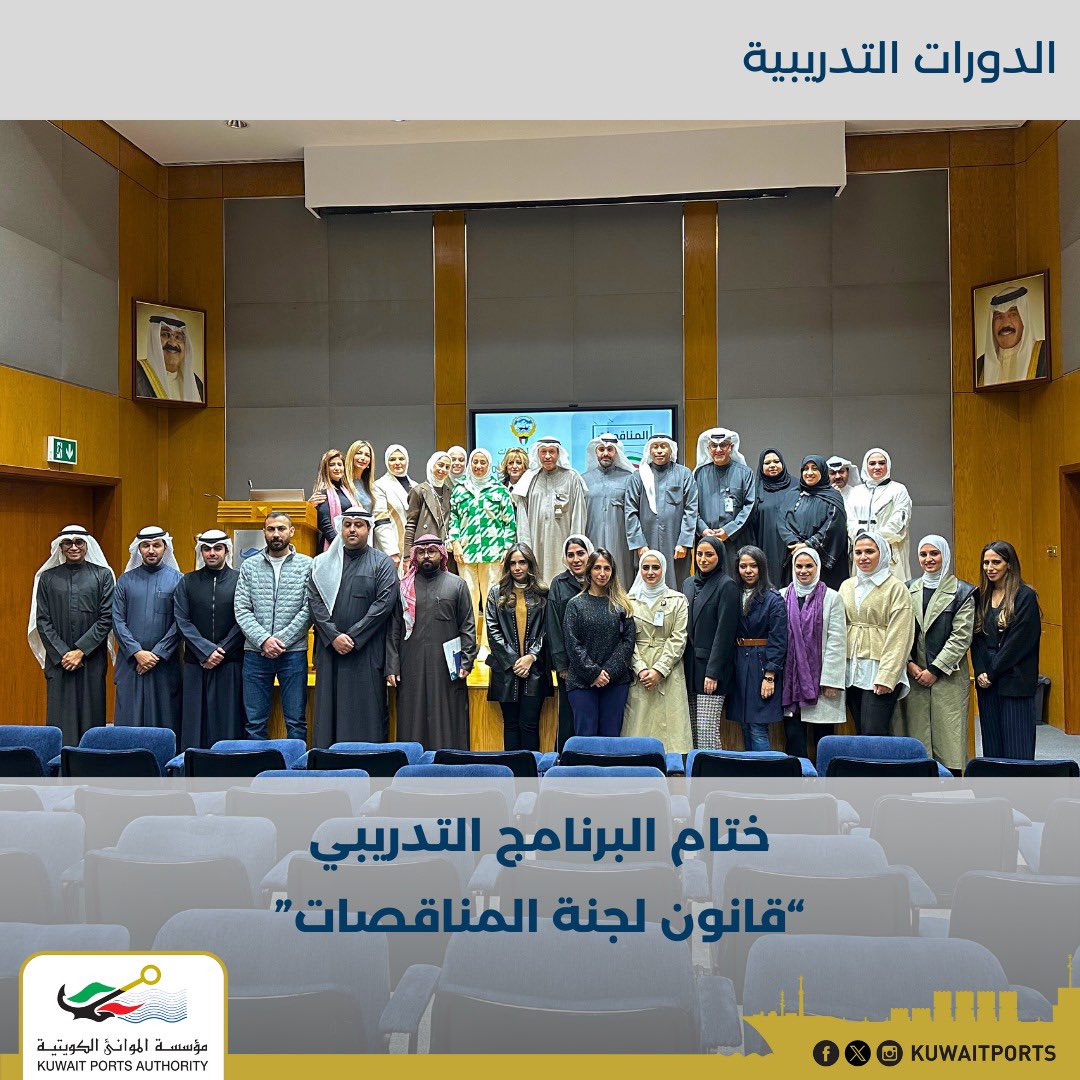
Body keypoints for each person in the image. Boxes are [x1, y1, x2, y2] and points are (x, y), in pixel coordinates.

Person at [308, 509, 399, 747]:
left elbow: (384, 605)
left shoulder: (382, 563)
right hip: (330, 650)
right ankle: (329, 762)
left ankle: (368, 762)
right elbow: (314, 602)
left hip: (367, 650)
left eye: (358, 525)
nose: (352, 529)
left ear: (368, 529)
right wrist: (334, 636)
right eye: (347, 524)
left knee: (367, 712)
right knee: (329, 712)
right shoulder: (323, 563)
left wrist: (353, 637)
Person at [387, 536, 477, 749]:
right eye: (421, 552)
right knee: (412, 716)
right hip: (411, 663)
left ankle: (448, 763)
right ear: (415, 556)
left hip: (447, 666)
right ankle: (413, 763)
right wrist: (392, 665)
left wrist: (466, 661)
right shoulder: (403, 587)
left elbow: (467, 626)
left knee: (447, 716)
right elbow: (393, 629)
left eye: (432, 551)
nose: (426, 556)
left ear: (441, 554)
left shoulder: (457, 584)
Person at [895, 535, 976, 773]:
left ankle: (950, 788)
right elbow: (900, 630)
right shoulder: (908, 588)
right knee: (917, 738)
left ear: (945, 555)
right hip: (915, 674)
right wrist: (909, 663)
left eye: (934, 553)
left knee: (949, 739)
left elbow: (961, 637)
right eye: (923, 554)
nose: (928, 559)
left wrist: (934, 669)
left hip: (948, 676)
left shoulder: (963, 591)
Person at [28, 525, 114, 745]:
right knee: (59, 720)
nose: (74, 547)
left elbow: (107, 618)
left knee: (91, 718)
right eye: (68, 543)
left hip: (91, 659)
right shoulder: (47, 578)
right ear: (61, 547)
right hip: (59, 662)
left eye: (79, 542)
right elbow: (42, 620)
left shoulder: (103, 575)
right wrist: (65, 654)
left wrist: (80, 651)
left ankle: (90, 761)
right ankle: (59, 763)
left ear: (87, 545)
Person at [234, 512, 313, 742]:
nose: (276, 534)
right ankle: (257, 764)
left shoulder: (307, 565)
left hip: (293, 653)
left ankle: (295, 765)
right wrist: (264, 640)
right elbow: (241, 609)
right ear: (264, 533)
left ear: (291, 531)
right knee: (254, 722)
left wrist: (281, 641)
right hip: (255, 653)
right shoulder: (249, 566)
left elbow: (309, 609)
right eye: (271, 529)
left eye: (281, 528)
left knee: (296, 721)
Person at [173, 529, 245, 750]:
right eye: (206, 549)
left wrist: (221, 650)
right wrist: (205, 651)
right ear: (201, 552)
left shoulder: (240, 580)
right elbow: (182, 620)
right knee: (195, 722)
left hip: (230, 661)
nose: (212, 553)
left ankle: (226, 765)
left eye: (217, 548)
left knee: (228, 722)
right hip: (196, 663)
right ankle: (193, 767)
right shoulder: (188, 581)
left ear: (226, 551)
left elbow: (244, 618)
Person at [971, 540, 1042, 760]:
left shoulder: (1025, 596)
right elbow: (976, 638)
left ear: (1009, 564)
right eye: (986, 563)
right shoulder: (980, 595)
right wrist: (980, 670)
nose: (990, 568)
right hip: (986, 682)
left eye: (996, 562)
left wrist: (991, 672)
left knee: (1017, 748)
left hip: (1014, 679)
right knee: (992, 748)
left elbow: (1018, 644)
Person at [839, 531, 915, 736]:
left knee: (874, 731)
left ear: (882, 553)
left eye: (869, 551)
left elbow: (900, 637)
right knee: (860, 731)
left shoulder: (896, 588)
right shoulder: (847, 586)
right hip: (852, 669)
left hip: (879, 669)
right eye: (858, 552)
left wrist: (887, 676)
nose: (863, 557)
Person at [112, 526, 183, 733]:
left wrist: (157, 654)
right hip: (131, 664)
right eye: (146, 545)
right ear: (139, 549)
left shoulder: (178, 580)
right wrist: (137, 652)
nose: (151, 550)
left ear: (165, 548)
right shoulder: (125, 580)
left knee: (164, 723)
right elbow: (117, 620)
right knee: (129, 725)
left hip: (164, 665)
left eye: (156, 545)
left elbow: (180, 622)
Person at [780, 547, 847, 760]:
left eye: (809, 566)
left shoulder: (832, 598)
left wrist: (830, 681)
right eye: (799, 566)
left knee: (823, 740)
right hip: (791, 683)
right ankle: (799, 780)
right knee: (794, 739)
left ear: (817, 567)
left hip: (822, 684)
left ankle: (824, 779)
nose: (803, 571)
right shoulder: (782, 595)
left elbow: (837, 643)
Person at [622, 550, 692, 754]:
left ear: (664, 569)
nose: (650, 572)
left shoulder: (678, 600)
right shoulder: (628, 601)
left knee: (670, 735)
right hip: (639, 673)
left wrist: (659, 670)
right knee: (637, 731)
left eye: (656, 567)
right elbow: (626, 640)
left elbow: (679, 638)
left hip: (669, 671)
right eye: (645, 567)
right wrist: (641, 669)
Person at [562, 548, 636, 737]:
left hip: (615, 682)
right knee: (585, 739)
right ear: (589, 571)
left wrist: (608, 672)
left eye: (607, 568)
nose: (602, 573)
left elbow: (628, 642)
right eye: (597, 568)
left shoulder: (622, 604)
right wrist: (594, 673)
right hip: (581, 682)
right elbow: (572, 644)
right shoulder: (575, 604)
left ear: (612, 572)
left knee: (610, 738)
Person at [484, 545, 552, 752]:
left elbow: (549, 630)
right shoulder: (496, 593)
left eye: (522, 562)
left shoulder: (543, 593)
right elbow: (492, 630)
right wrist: (515, 661)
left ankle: (531, 771)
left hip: (535, 669)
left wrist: (531, 657)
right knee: (511, 725)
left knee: (530, 726)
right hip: (507, 670)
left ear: (530, 564)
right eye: (512, 563)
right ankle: (513, 770)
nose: (517, 567)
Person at [449, 448, 517, 650]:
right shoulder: (460, 489)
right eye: (475, 462)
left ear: (489, 465)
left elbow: (509, 523)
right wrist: (455, 543)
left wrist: (506, 549)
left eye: (483, 463)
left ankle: (489, 645)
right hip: (466, 553)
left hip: (493, 553)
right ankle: (469, 644)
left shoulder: (500, 490)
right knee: (468, 599)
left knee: (491, 600)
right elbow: (454, 520)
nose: (478, 466)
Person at [727, 547, 787, 753]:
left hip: (761, 665)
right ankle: (749, 768)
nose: (748, 571)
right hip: (738, 663)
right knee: (744, 724)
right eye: (743, 566)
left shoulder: (773, 598)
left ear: (762, 567)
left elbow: (779, 640)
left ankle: (764, 770)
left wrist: (770, 676)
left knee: (758, 727)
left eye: (753, 566)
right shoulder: (733, 593)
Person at [681, 536, 739, 749]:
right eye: (699, 554)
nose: (703, 559)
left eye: (709, 554)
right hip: (688, 668)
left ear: (719, 556)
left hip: (711, 671)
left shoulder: (727, 585)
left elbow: (725, 634)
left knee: (707, 733)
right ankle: (695, 770)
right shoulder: (688, 583)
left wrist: (713, 672)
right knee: (692, 734)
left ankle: (714, 770)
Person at [624, 434, 697, 589]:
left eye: (663, 447)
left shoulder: (684, 474)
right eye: (655, 447)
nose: (659, 451)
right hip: (647, 541)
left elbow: (691, 509)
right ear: (649, 450)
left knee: (677, 582)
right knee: (647, 583)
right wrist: (639, 544)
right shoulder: (638, 476)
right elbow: (630, 511)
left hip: (675, 543)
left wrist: (684, 542)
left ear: (671, 450)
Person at [513, 437, 588, 587]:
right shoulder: (529, 479)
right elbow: (522, 520)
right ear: (538, 454)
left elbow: (578, 515)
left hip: (562, 542)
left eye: (552, 452)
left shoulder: (572, 478)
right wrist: (525, 548)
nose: (547, 456)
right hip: (537, 543)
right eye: (543, 452)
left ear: (558, 454)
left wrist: (575, 547)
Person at [546, 533, 594, 752]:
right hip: (570, 667)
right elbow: (553, 627)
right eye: (571, 555)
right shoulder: (559, 584)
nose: (576, 559)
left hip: (596, 663)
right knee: (568, 717)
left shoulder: (600, 578)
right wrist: (561, 665)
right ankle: (565, 761)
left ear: (589, 554)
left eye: (580, 554)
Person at [779, 455, 849, 591]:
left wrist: (808, 544)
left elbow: (834, 525)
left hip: (823, 562)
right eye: (805, 469)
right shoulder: (792, 495)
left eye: (814, 469)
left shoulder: (833, 496)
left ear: (822, 471)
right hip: (796, 555)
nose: (809, 473)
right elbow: (782, 522)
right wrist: (794, 543)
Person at [693, 426, 756, 574]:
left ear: (731, 447)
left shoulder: (745, 473)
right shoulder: (699, 474)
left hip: (736, 540)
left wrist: (728, 530)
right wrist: (703, 530)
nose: (718, 449)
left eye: (723, 445)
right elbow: (691, 506)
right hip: (706, 541)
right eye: (714, 446)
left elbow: (750, 505)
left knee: (735, 580)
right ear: (708, 449)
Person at [847, 448, 913, 581]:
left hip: (889, 551)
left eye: (881, 463)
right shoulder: (855, 492)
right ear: (865, 466)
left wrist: (875, 539)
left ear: (888, 465)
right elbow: (849, 520)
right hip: (861, 551)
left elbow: (899, 521)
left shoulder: (898, 490)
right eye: (872, 463)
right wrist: (861, 535)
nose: (877, 467)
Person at [582, 433, 636, 587]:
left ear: (616, 452)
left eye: (610, 449)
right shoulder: (583, 479)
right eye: (601, 449)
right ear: (595, 452)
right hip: (592, 537)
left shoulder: (629, 478)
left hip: (621, 542)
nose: (605, 453)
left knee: (621, 578)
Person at [976, 285, 1048, 387]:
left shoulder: (1045, 354)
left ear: (1023, 319)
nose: (1005, 323)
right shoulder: (979, 366)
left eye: (1013, 314)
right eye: (998, 317)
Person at [748, 448, 796, 586]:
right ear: (761, 466)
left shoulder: (796, 485)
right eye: (767, 463)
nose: (772, 465)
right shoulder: (755, 489)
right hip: (766, 544)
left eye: (776, 461)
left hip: (792, 545)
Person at [135, 312, 204, 403]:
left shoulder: (196, 384)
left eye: (178, 337)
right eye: (165, 334)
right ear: (154, 339)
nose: (173, 343)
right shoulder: (136, 373)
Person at [372, 444, 416, 577]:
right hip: (394, 549)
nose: (397, 463)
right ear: (386, 462)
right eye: (392, 459)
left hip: (415, 547)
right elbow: (380, 520)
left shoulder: (416, 486)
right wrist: (391, 552)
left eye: (401, 459)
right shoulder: (379, 486)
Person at [405, 451, 454, 555]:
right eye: (440, 465)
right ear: (432, 465)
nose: (443, 469)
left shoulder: (449, 492)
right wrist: (408, 556)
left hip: (446, 552)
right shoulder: (418, 491)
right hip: (425, 551)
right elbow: (411, 525)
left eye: (447, 467)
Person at [311, 449, 356, 551]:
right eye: (332, 465)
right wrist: (342, 547)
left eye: (340, 464)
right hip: (333, 547)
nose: (337, 468)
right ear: (325, 469)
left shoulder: (347, 492)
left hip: (349, 544)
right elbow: (326, 526)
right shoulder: (322, 492)